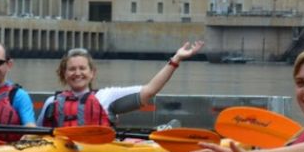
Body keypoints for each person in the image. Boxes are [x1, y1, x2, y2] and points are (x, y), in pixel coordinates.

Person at [38, 42, 204, 128]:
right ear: (64, 74)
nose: (77, 73)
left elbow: (150, 90)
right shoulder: (51, 102)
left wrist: (176, 59)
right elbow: (36, 136)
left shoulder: (107, 97)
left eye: (82, 68)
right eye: (72, 69)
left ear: (92, 73)